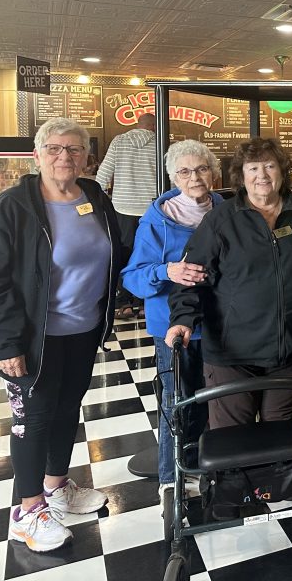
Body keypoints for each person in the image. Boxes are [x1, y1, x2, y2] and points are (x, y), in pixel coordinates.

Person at [0, 117, 122, 552]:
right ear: (37, 155)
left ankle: (56, 487)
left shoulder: (93, 195)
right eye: (54, 148)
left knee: (66, 409)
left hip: (82, 330)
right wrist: (6, 342)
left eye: (74, 149)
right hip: (32, 338)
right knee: (33, 420)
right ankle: (27, 511)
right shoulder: (15, 205)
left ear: (87, 157)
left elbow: (115, 252)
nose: (64, 156)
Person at [167, 138, 292, 430]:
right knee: (232, 438)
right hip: (232, 355)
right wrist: (182, 319)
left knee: (281, 437)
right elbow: (192, 275)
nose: (262, 175)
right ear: (241, 174)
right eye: (253, 168)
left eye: (270, 166)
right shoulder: (220, 220)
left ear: (283, 170)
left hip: (290, 350)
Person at [121, 140, 223, 493]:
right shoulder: (158, 220)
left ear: (213, 172)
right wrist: (168, 270)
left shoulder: (225, 209)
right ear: (173, 177)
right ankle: (171, 479)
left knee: (216, 400)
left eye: (202, 169)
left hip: (221, 324)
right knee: (176, 400)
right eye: (184, 171)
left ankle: (208, 468)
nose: (194, 177)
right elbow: (132, 278)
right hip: (173, 328)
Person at [97, 113, 158, 318]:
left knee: (124, 254)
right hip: (151, 209)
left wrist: (98, 200)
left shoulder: (119, 141)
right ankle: (144, 303)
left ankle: (124, 303)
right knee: (149, 254)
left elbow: (104, 174)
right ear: (154, 126)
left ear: (138, 125)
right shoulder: (160, 143)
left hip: (122, 208)